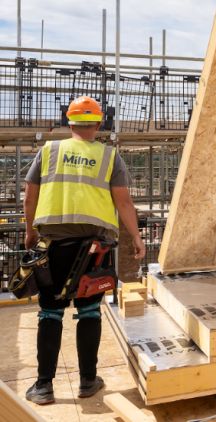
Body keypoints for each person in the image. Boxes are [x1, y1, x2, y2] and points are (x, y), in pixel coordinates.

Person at [22, 96, 146, 404]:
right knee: (89, 310)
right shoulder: (109, 156)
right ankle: (88, 381)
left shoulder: (49, 151)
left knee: (50, 312)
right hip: (93, 248)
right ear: (98, 123)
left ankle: (43, 386)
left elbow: (29, 197)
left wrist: (29, 232)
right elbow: (124, 203)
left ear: (69, 121)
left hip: (52, 244)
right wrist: (137, 237)